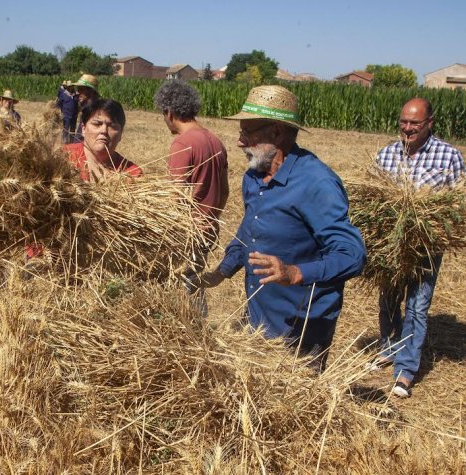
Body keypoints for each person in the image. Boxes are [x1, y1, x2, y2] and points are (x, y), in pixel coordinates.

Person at [193, 85, 366, 372]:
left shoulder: (317, 183)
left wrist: (296, 272)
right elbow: (251, 227)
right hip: (260, 314)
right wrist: (223, 270)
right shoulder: (254, 176)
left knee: (296, 407)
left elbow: (353, 255)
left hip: (301, 325)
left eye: (247, 132)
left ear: (276, 133)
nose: (239, 141)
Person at [373, 98, 464, 397]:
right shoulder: (386, 154)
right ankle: (388, 348)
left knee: (417, 305)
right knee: (388, 299)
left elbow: (459, 205)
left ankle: (405, 370)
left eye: (415, 123)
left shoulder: (449, 156)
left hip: (426, 248)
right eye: (404, 122)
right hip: (391, 245)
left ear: (429, 124)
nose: (407, 128)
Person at [26, 99, 141, 262]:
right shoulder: (60, 159)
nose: (104, 131)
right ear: (83, 128)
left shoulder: (132, 173)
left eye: (112, 126)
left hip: (101, 261)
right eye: (97, 124)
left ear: (121, 134)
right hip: (48, 255)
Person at [153, 79, 229, 275]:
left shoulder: (183, 143)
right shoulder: (215, 141)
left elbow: (175, 195)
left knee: (181, 287)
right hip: (209, 230)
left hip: (188, 234)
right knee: (195, 283)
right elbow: (225, 191)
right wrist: (211, 220)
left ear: (169, 112)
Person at [68, 73, 100, 144]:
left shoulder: (95, 112)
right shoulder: (86, 109)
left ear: (91, 91)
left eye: (81, 89)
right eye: (78, 89)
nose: (77, 92)